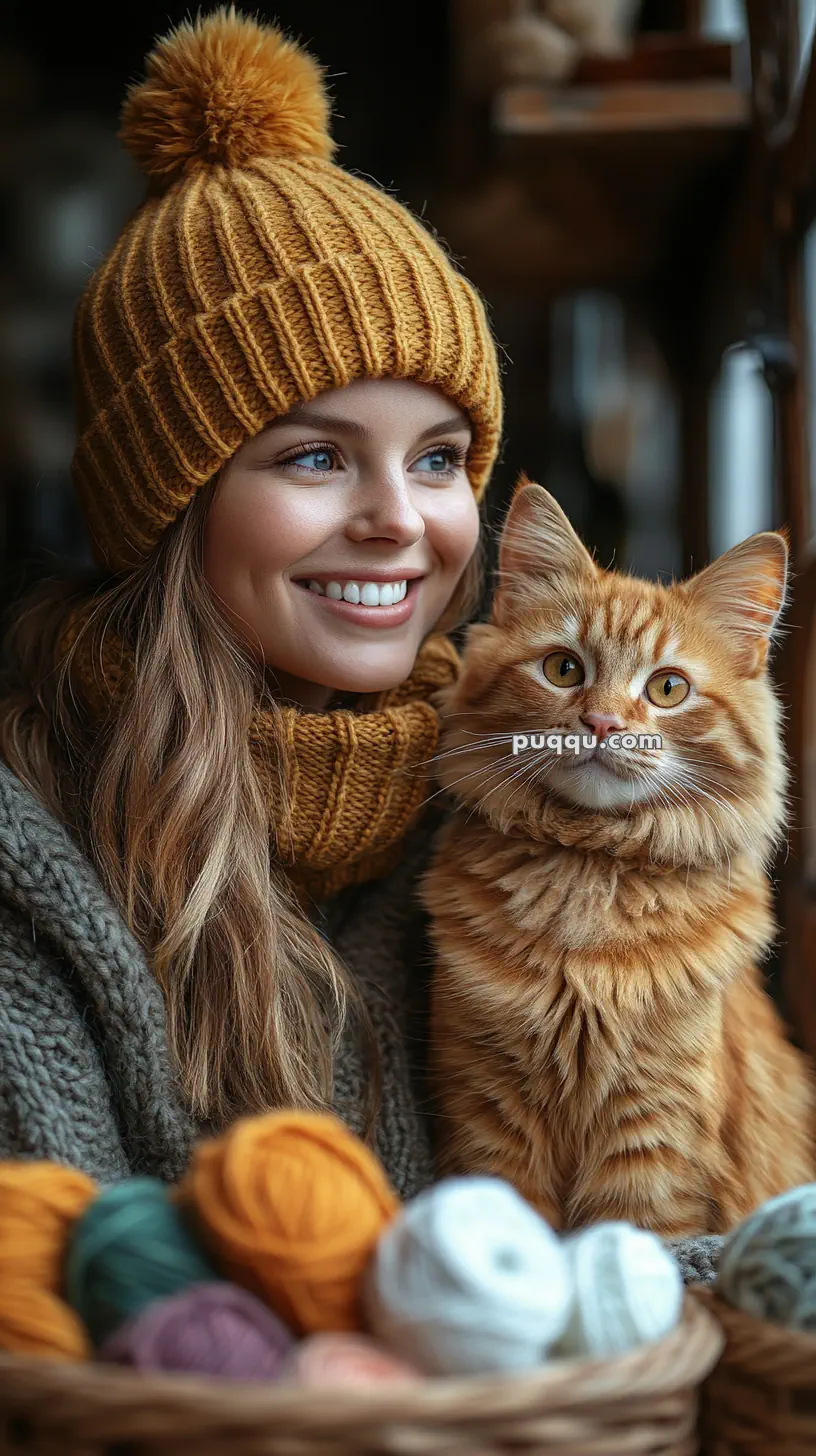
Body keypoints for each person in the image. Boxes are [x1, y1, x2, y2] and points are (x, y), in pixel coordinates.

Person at [0, 6, 716, 1283]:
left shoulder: (522, 774)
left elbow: (662, 1242)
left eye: (440, 459)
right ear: (172, 502)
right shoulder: (40, 856)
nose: (403, 521)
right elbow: (71, 1306)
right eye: (318, 456)